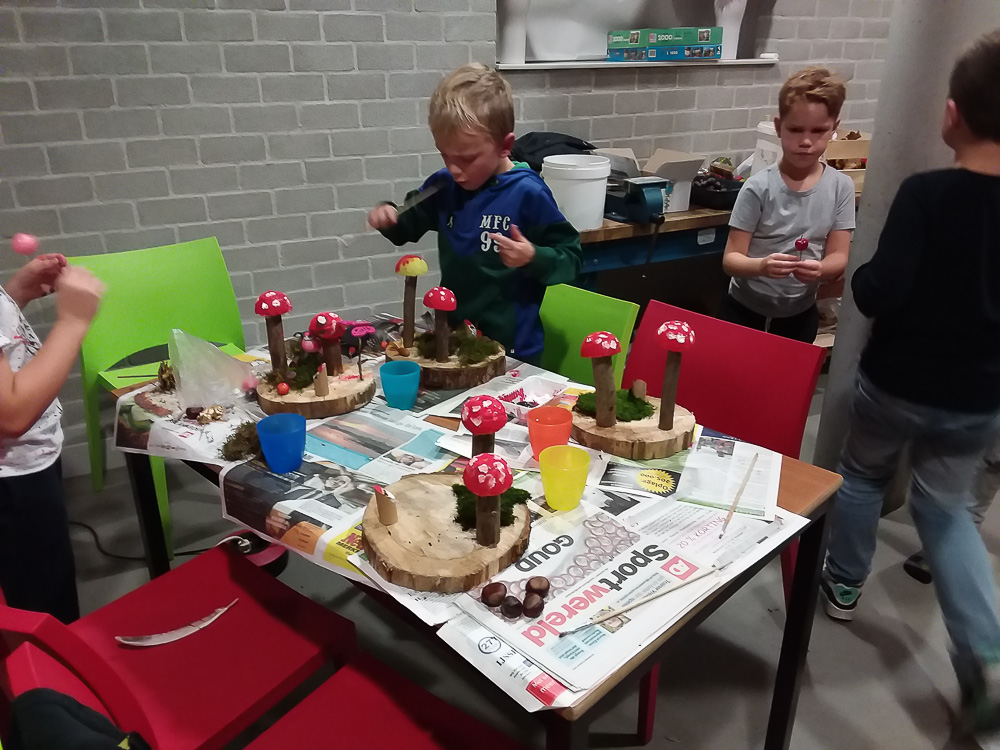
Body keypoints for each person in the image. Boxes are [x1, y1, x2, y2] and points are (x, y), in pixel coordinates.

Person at [820, 30, 1000, 734]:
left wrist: (863, 277)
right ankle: (984, 655)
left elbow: (881, 290)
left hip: (896, 384)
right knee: (945, 509)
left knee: (863, 476)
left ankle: (842, 587)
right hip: (977, 398)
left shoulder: (927, 195)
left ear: (951, 115)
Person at [366, 63, 582, 365]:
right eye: (445, 155)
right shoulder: (444, 186)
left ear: (505, 146)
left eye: (467, 158)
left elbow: (571, 258)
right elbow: (406, 225)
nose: (454, 169)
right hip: (455, 341)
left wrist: (532, 256)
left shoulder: (527, 193)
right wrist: (388, 215)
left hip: (514, 349)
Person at [0, 252, 104, 624]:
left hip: (24, 466)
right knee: (40, 605)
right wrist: (74, 320)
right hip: (12, 482)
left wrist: (15, 294)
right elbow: (11, 414)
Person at [721, 67, 855, 343]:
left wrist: (821, 269)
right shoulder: (758, 187)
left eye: (818, 131)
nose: (806, 141)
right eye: (795, 130)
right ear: (779, 126)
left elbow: (839, 257)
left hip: (799, 314)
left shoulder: (841, 187)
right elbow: (731, 259)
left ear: (834, 128)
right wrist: (762, 266)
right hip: (744, 311)